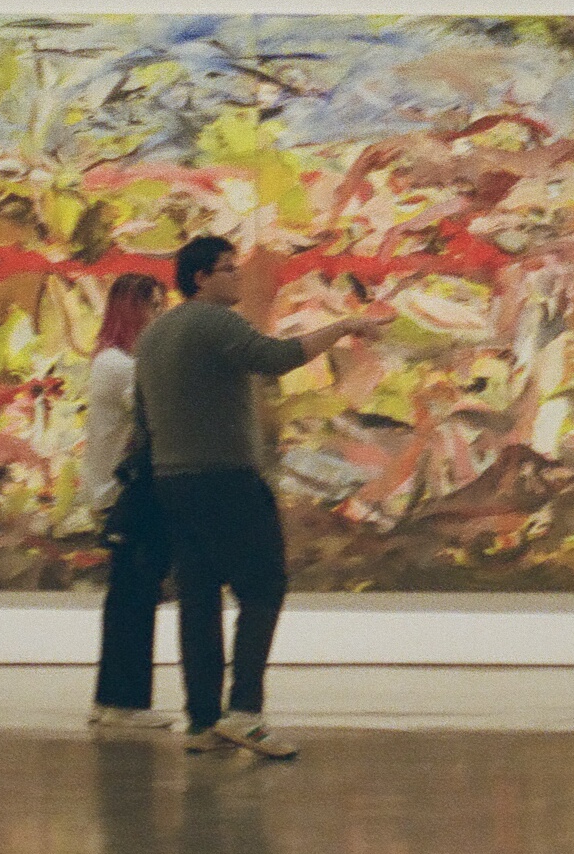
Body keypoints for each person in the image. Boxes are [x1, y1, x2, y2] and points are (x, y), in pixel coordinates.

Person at [136, 235, 390, 759]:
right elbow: (275, 358)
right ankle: (246, 713)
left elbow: (144, 410)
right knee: (263, 586)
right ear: (200, 277)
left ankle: (203, 720)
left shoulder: (156, 333)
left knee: (199, 597)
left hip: (173, 479)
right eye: (228, 270)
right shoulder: (216, 323)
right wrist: (343, 325)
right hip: (225, 476)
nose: (238, 278)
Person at [83, 273, 174, 729]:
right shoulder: (120, 366)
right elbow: (158, 409)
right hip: (123, 494)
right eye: (152, 306)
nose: (159, 315)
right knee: (134, 597)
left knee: (130, 595)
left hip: (117, 492)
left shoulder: (114, 361)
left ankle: (114, 700)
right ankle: (124, 702)